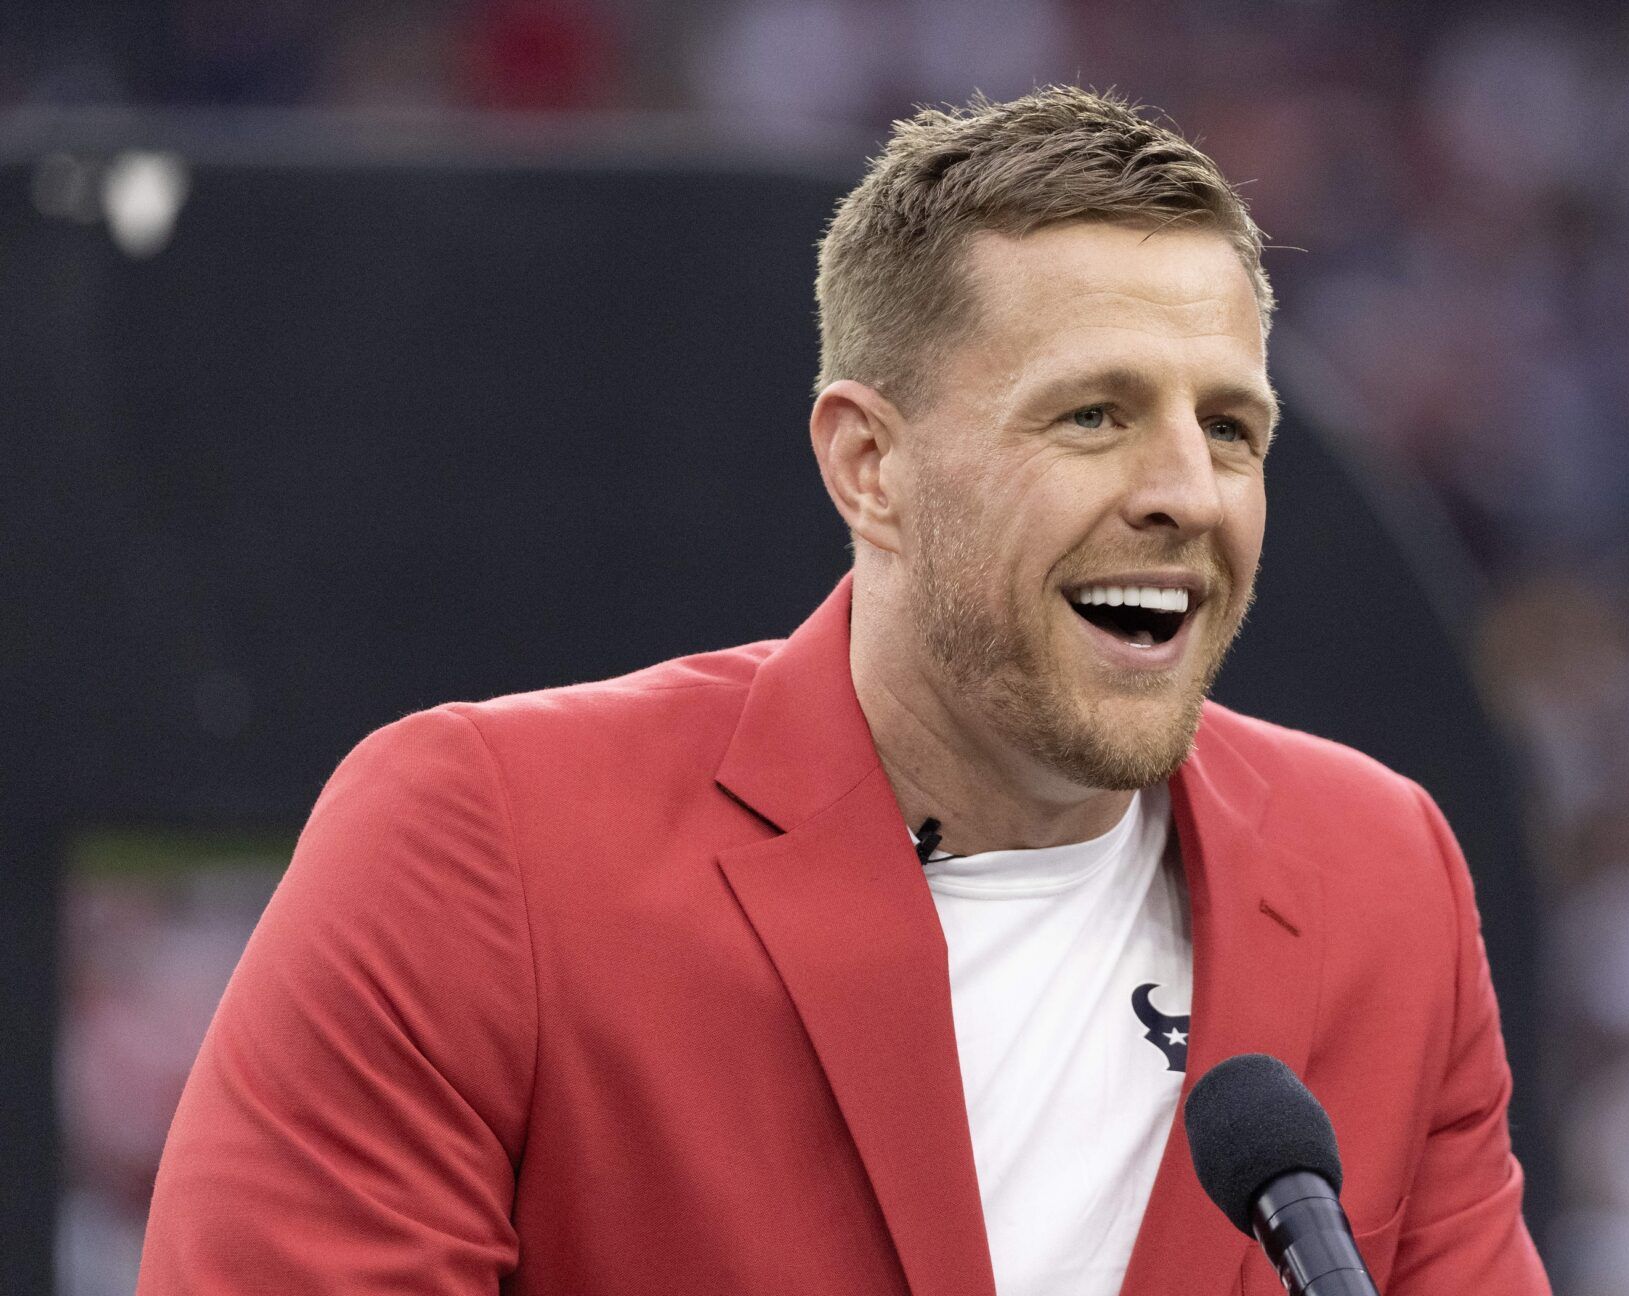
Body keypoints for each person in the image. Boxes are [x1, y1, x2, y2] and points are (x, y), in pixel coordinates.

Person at [138, 87, 1549, 1295]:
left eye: (1230, 427)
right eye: (1094, 415)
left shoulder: (1384, 875)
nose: (1187, 492)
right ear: (869, 466)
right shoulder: (480, 842)